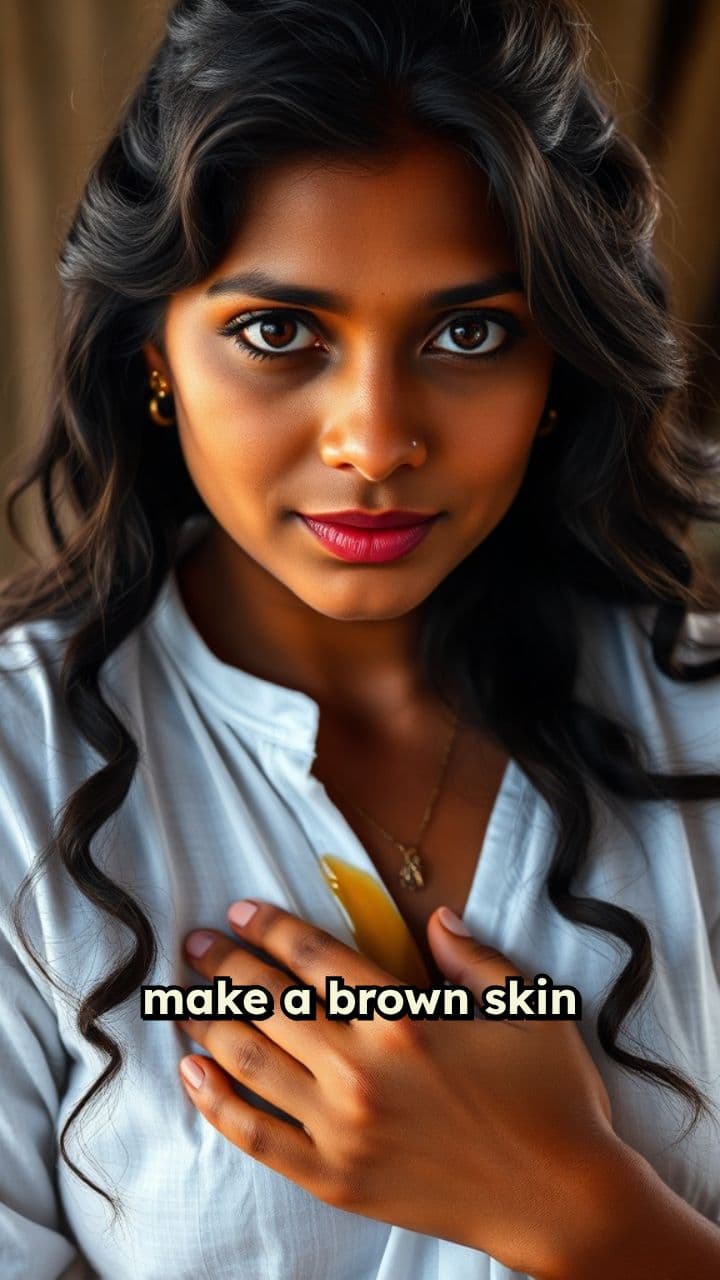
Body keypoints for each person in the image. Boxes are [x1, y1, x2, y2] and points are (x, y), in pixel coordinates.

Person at [1, 0, 719, 1276]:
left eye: (470, 332)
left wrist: (577, 1207)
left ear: (558, 362)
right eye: (280, 333)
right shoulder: (17, 775)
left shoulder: (703, 719)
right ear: (154, 351)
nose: (376, 440)